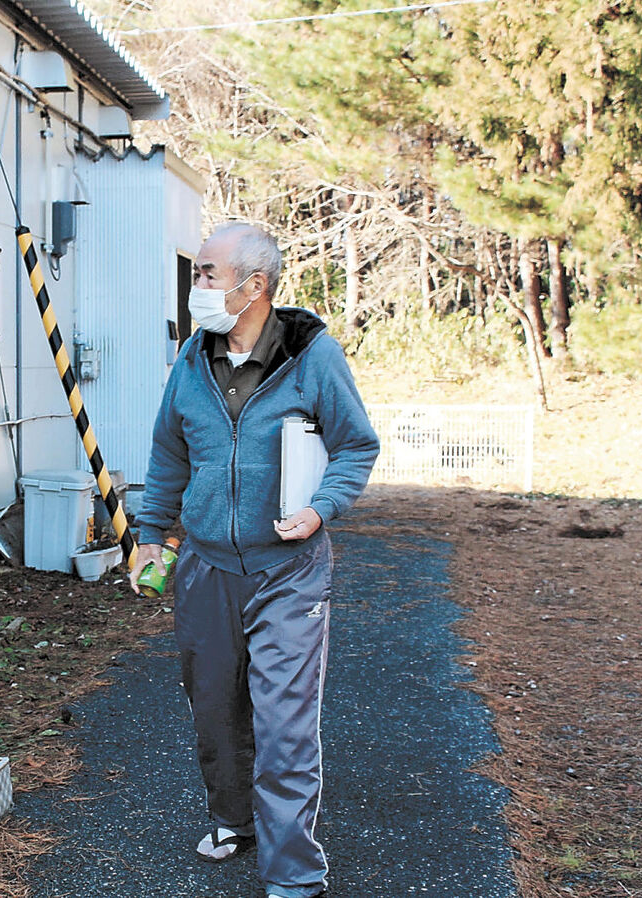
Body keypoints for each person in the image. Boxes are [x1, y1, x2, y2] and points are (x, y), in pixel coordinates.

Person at [130, 222, 379, 898]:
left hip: (288, 569)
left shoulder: (313, 358)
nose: (197, 286)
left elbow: (356, 445)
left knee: (284, 722)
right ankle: (234, 819)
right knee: (214, 708)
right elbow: (168, 452)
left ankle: (294, 871)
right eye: (198, 274)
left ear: (256, 286)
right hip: (206, 567)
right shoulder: (192, 359)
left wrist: (323, 507)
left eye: (208, 274)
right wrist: (152, 532)